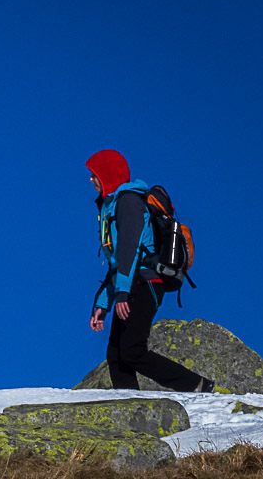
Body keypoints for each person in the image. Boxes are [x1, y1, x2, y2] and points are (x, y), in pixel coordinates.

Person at [87, 149, 212, 392]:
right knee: (116, 355)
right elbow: (117, 261)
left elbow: (130, 249)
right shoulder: (113, 206)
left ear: (107, 175)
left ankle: (197, 386)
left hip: (146, 282)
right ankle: (130, 408)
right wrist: (104, 303)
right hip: (132, 283)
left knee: (132, 351)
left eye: (94, 175)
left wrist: (121, 293)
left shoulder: (129, 202)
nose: (90, 180)